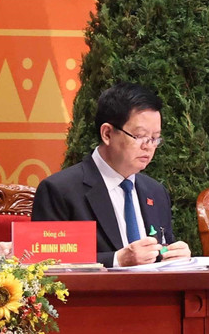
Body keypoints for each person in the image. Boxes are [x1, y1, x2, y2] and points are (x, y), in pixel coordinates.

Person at [31, 82, 189, 268]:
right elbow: (46, 263)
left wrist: (174, 256)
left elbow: (160, 253)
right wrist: (116, 260)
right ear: (107, 134)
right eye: (139, 136)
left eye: (154, 138)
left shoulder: (155, 192)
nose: (148, 146)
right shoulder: (60, 190)